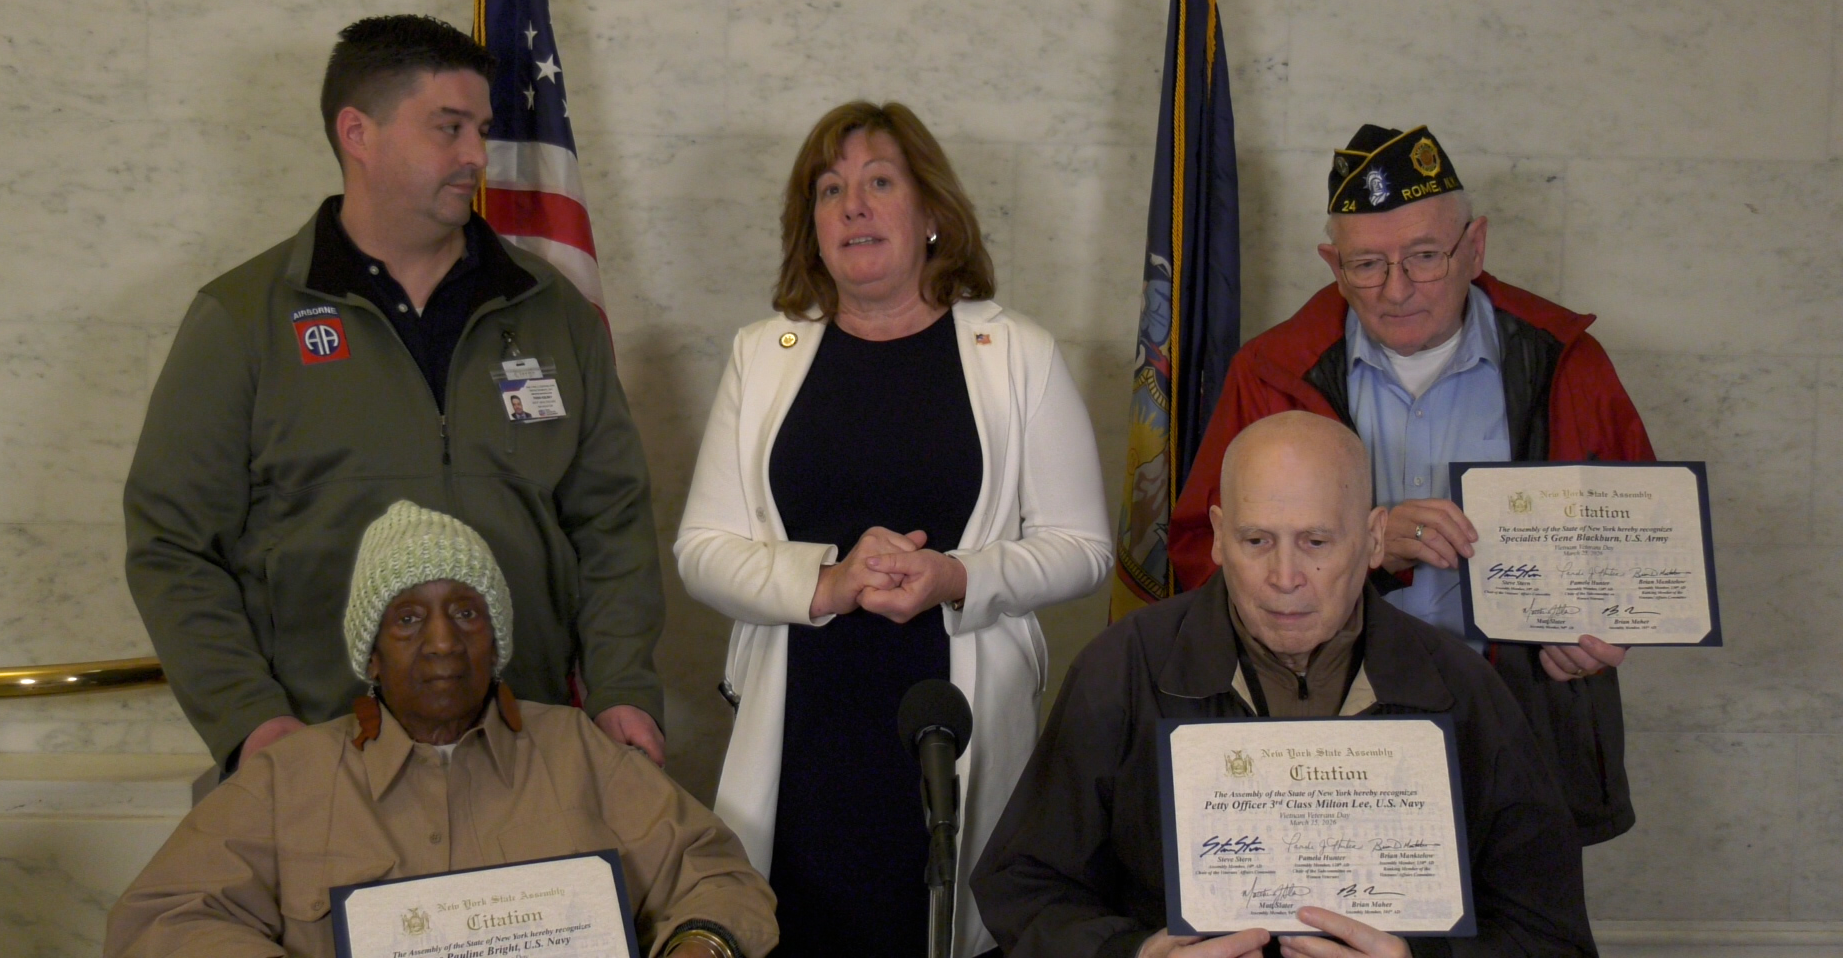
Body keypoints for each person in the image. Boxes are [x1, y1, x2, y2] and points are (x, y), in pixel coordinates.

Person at [124, 14, 667, 774]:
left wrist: (623, 690)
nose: (477, 155)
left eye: (480, 128)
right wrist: (248, 718)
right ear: (359, 132)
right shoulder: (244, 317)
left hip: (528, 753)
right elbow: (172, 545)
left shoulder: (552, 313)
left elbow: (613, 528)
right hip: (316, 758)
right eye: (448, 128)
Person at [675, 101, 1112, 957]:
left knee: (948, 928)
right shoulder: (763, 354)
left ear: (933, 216)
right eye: (829, 190)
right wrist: (829, 582)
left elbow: (1084, 548)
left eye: (880, 183)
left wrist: (958, 576)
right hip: (804, 715)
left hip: (955, 711)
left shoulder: (1016, 352)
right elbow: (702, 550)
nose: (854, 206)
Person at [1165, 125, 1654, 844]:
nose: (1397, 290)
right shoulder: (1271, 371)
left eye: (1424, 256)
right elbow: (1199, 554)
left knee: (1519, 929)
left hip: (1521, 705)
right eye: (1367, 264)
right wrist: (1361, 544)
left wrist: (1612, 627)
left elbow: (1642, 544)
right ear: (1332, 264)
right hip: (1328, 710)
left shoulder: (1567, 360)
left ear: (1475, 247)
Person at [974, 412, 1598, 958]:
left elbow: (1549, 932)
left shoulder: (1462, 689)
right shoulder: (1123, 669)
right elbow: (1024, 887)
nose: (1285, 576)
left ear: (1375, 538)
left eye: (1317, 541)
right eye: (1256, 541)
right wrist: (1132, 953)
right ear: (1217, 536)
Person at [104, 501, 776, 958]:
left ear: (498, 640)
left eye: (465, 613)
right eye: (407, 619)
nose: (442, 644)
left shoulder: (581, 754)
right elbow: (160, 919)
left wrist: (701, 945)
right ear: (370, 653)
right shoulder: (288, 779)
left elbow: (718, 875)